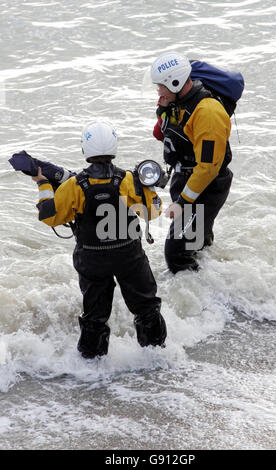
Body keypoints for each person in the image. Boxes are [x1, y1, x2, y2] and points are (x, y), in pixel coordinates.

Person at [31, 120, 167, 359]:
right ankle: (156, 357)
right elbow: (153, 211)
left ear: (85, 149)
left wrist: (44, 185)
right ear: (114, 147)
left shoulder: (74, 185)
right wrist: (150, 188)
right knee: (146, 308)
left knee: (94, 316)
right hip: (129, 256)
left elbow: (49, 216)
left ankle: (92, 368)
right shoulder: (128, 180)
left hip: (92, 259)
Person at [150, 51, 233, 274]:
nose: (158, 91)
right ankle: (215, 287)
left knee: (176, 252)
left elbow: (208, 168)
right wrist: (163, 111)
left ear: (176, 83)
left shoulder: (208, 112)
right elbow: (161, 134)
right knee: (197, 243)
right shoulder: (178, 102)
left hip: (206, 185)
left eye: (161, 86)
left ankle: (199, 300)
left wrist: (183, 202)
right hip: (186, 178)